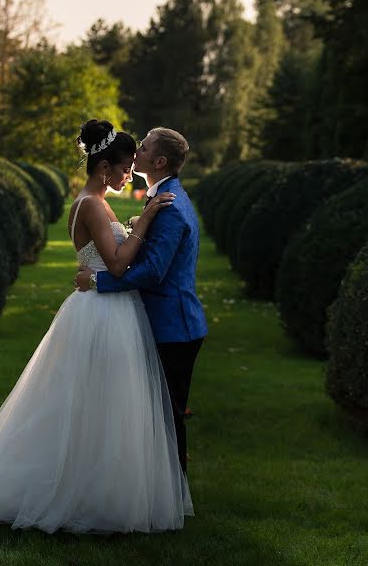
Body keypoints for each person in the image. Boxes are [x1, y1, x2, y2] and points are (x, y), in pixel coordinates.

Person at [0, 119, 193, 534]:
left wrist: (132, 231)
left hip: (108, 308)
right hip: (101, 314)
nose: (130, 174)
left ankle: (101, 488)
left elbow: (113, 256)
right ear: (103, 169)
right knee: (95, 406)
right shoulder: (92, 205)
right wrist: (144, 222)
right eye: (125, 167)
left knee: (105, 407)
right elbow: (115, 263)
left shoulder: (98, 201)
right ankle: (77, 491)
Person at [76, 127, 207, 474]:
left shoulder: (169, 206)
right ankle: (160, 491)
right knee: (157, 413)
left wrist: (97, 280)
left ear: (159, 160)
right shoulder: (161, 197)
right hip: (163, 320)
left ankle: (173, 495)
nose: (136, 153)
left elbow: (152, 272)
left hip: (174, 325)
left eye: (144, 148)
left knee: (168, 415)